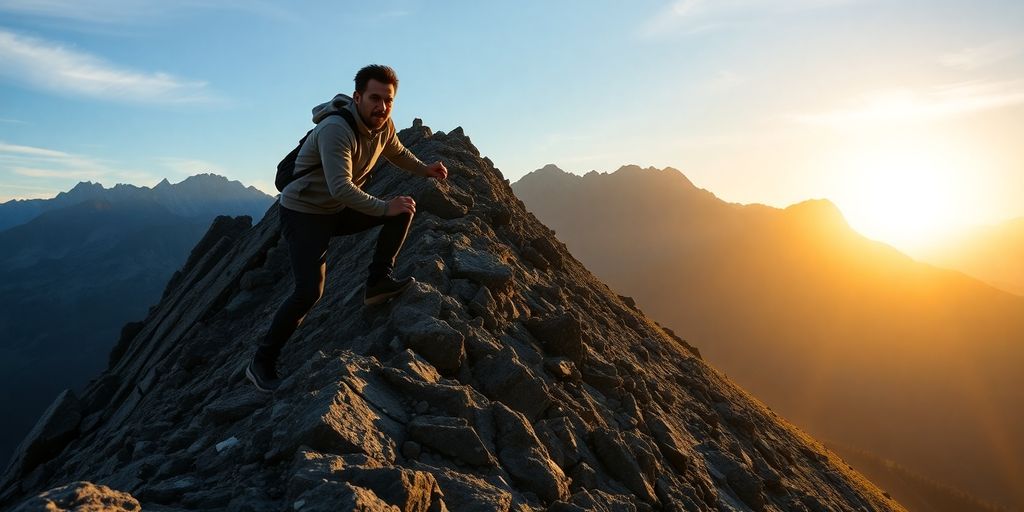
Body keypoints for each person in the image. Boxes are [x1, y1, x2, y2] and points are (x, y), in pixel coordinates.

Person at [247, 64, 447, 392]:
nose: (382, 106)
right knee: (309, 290)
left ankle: (378, 283)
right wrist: (384, 207)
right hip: (304, 212)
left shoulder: (384, 126)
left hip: (336, 210)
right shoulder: (336, 130)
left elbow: (396, 152)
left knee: (404, 208)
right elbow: (340, 186)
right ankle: (261, 362)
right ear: (357, 97)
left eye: (388, 100)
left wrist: (425, 169)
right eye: (374, 98)